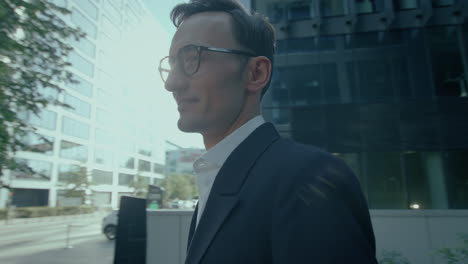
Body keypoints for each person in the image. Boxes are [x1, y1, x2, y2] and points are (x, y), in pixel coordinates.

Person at [158, 0, 378, 263]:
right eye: (172, 65)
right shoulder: (216, 181)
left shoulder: (307, 178)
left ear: (256, 73)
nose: (172, 83)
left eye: (192, 59)